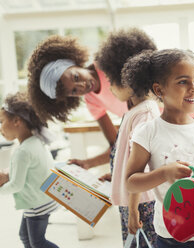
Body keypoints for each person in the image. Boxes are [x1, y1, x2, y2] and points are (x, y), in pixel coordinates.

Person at [123, 48, 194, 248]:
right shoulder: (147, 132)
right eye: (183, 82)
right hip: (172, 234)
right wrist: (164, 173)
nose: (193, 88)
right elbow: (131, 183)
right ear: (159, 90)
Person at [27, 28, 157, 169]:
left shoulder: (110, 62)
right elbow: (116, 145)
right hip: (152, 135)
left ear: (74, 64)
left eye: (76, 77)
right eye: (74, 91)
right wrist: (88, 163)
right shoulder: (92, 101)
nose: (82, 85)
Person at [95, 32, 159, 247]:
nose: (110, 87)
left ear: (129, 79)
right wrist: (116, 173)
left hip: (140, 202)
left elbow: (140, 166)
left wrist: (133, 210)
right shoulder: (136, 111)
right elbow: (130, 156)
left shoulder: (145, 114)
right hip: (135, 199)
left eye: (112, 80)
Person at [0, 92, 59, 248]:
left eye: (1, 121)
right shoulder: (35, 141)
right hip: (42, 198)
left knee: (38, 242)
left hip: (37, 205)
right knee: (25, 236)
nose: (0, 128)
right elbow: (30, 170)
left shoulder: (23, 151)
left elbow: (16, 186)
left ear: (17, 121)